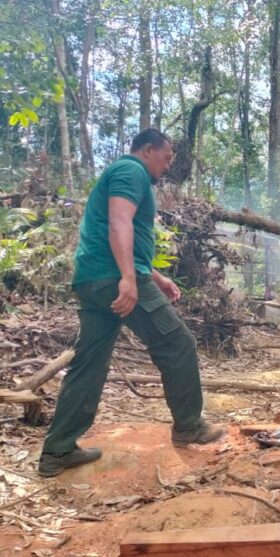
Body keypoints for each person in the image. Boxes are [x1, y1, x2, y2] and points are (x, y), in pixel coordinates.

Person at [37, 129, 224, 478]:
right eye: (166, 158)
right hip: (114, 278)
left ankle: (57, 451)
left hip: (94, 279)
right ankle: (188, 426)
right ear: (148, 150)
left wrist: (154, 276)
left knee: (89, 363)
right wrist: (128, 277)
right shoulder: (131, 170)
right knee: (177, 343)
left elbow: (122, 235)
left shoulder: (122, 172)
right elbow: (118, 222)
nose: (167, 166)